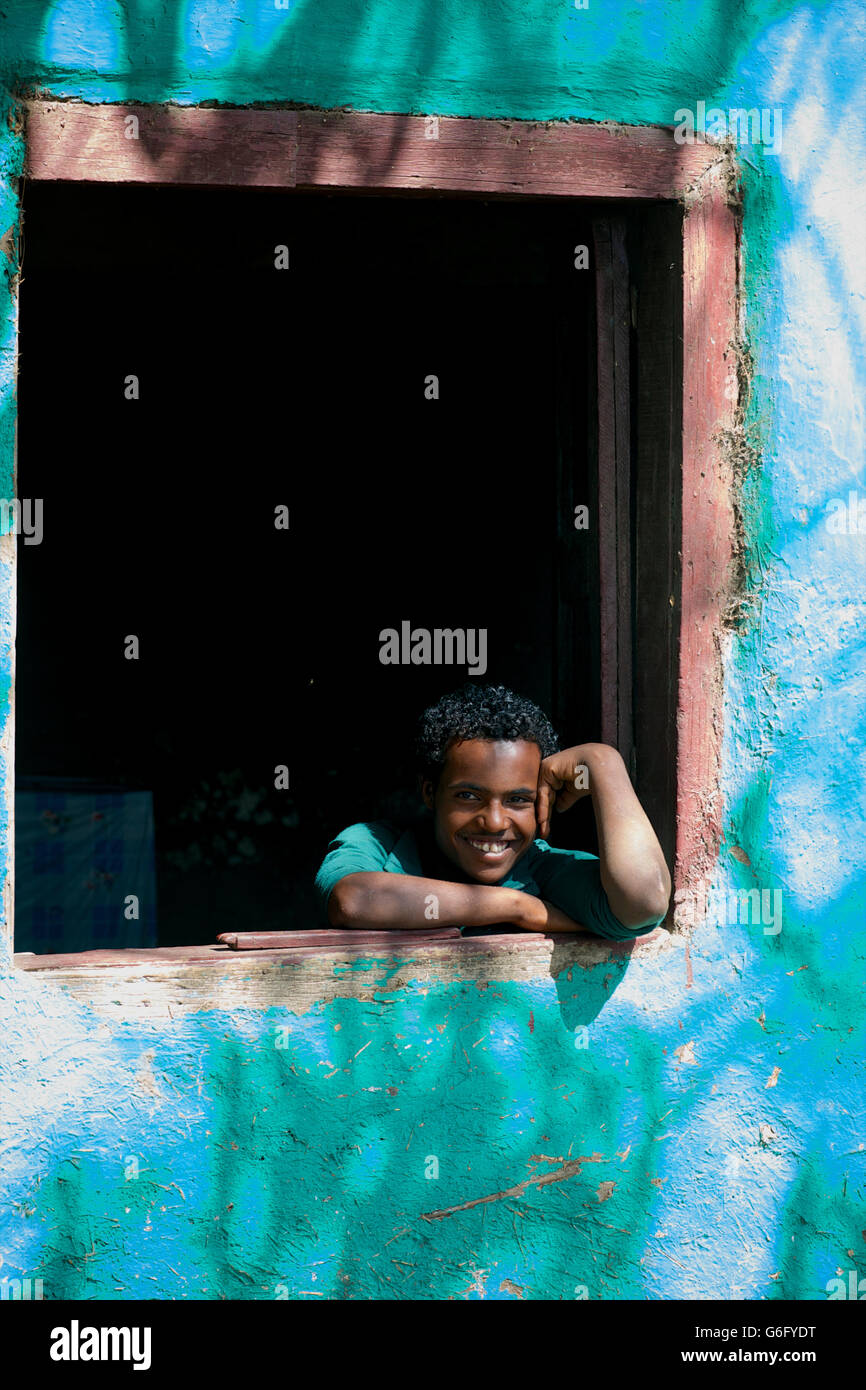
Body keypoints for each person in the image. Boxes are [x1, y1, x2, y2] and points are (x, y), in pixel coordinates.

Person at [314, 684, 670, 940]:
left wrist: (604, 763)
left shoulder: (544, 869)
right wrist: (518, 906)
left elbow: (645, 901)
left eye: (518, 800)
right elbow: (353, 900)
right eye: (469, 796)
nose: (495, 822)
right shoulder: (377, 844)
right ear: (430, 792)